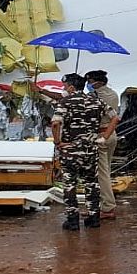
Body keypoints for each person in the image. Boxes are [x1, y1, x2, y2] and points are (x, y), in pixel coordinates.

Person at [51, 72, 105, 231]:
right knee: (91, 183)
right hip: (90, 150)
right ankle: (94, 217)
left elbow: (55, 123)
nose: (64, 89)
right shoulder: (95, 100)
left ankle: (72, 220)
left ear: (71, 87)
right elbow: (115, 117)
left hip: (70, 151)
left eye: (65, 86)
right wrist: (105, 136)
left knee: (70, 184)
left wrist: (57, 142)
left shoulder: (65, 102)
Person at [84, 70, 120, 221]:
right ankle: (99, 206)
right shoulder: (113, 94)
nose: (88, 85)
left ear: (96, 83)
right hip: (111, 135)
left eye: (89, 82)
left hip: (101, 135)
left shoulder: (95, 97)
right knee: (106, 171)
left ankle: (107, 207)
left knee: (101, 174)